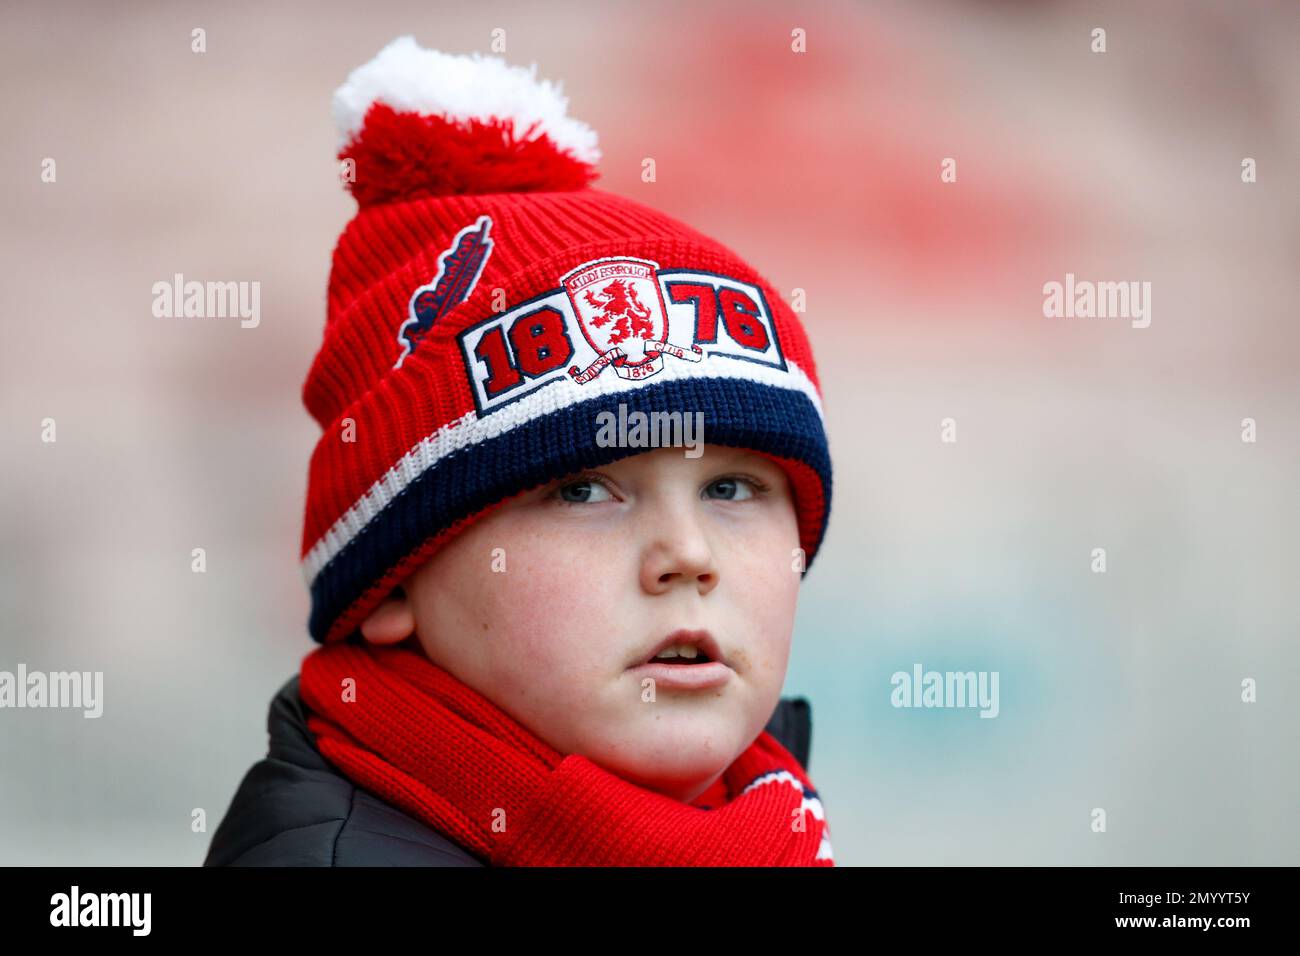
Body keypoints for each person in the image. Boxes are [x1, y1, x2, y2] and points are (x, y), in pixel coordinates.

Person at [204, 35, 835, 867]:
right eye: (581, 491)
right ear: (391, 583)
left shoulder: (771, 825)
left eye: (733, 487)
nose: (687, 555)